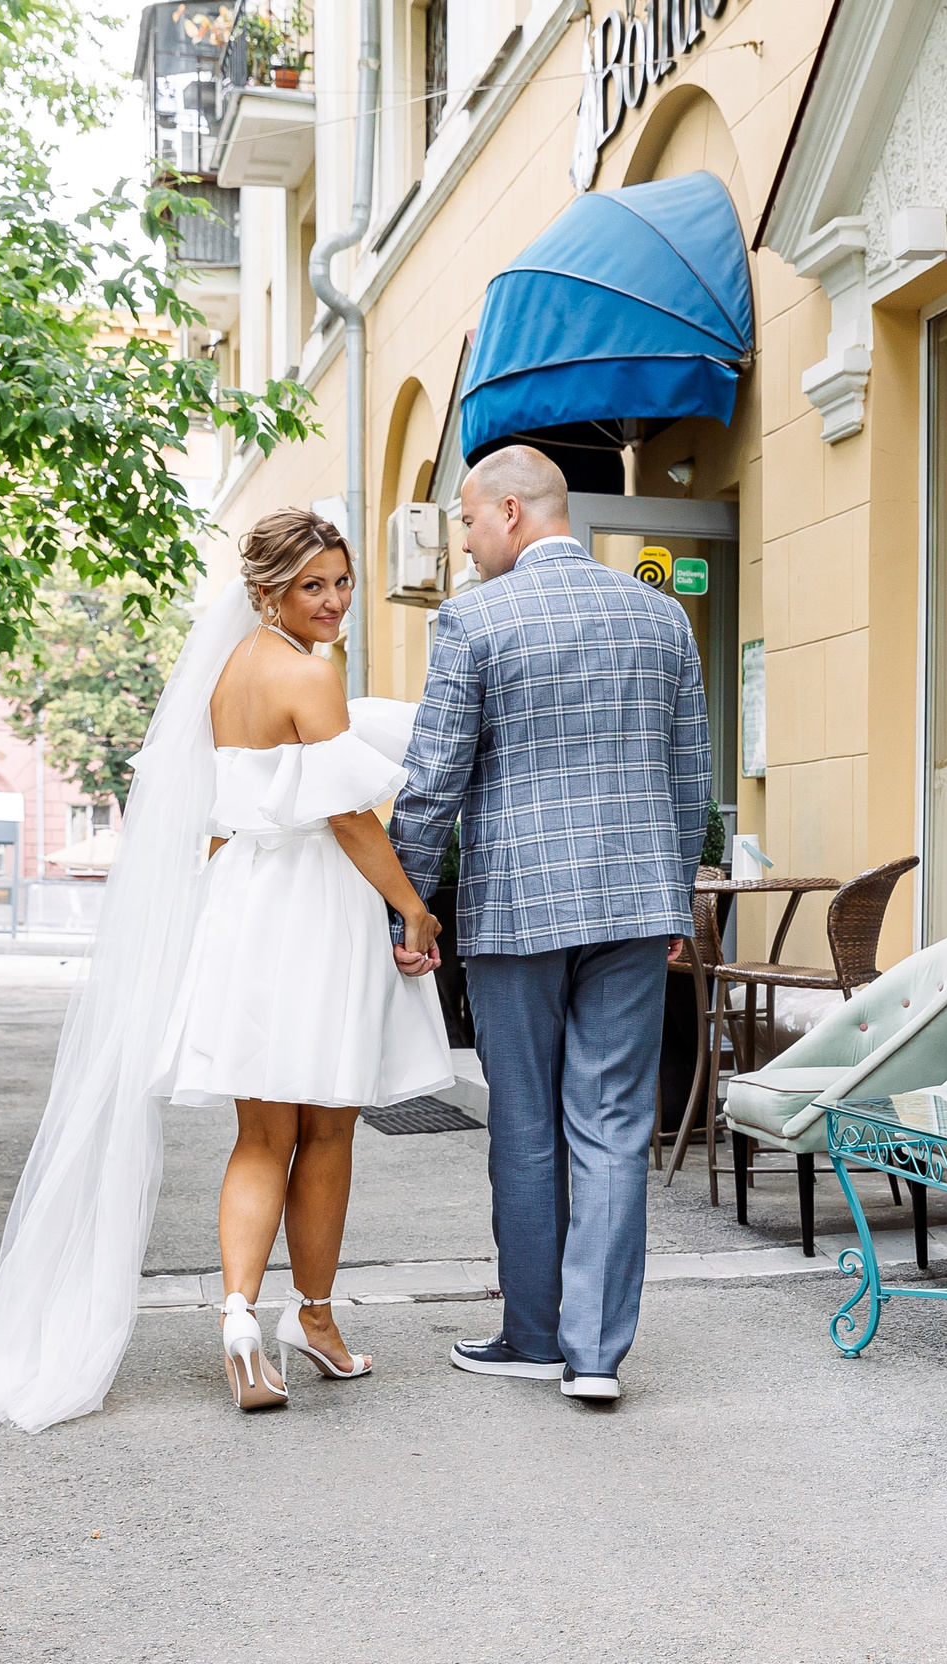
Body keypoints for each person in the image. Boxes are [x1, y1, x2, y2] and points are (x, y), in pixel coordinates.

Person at [0, 509, 450, 1434]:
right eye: (313, 586)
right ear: (268, 592)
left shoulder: (224, 671)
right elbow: (348, 818)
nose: (335, 601)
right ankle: (316, 1321)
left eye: (341, 581)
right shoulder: (310, 675)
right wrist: (412, 906)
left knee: (261, 1134)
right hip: (314, 905)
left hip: (245, 903)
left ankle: (241, 1317)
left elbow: (213, 815)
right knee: (328, 1128)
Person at [388, 445, 711, 1404]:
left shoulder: (474, 619)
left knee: (526, 1122)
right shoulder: (661, 616)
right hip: (635, 906)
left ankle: (531, 1336)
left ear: (512, 512)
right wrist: (673, 894)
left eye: (467, 520)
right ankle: (596, 1355)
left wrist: (408, 904)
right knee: (613, 1124)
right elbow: (690, 772)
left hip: (516, 904)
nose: (463, 541)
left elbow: (433, 778)